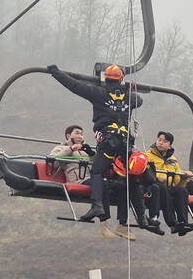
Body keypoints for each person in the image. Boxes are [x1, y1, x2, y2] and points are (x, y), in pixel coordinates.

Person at [47, 63, 146, 228]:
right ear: (121, 79)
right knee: (131, 177)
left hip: (108, 142)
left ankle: (97, 205)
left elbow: (74, 85)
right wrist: (129, 90)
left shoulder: (98, 93)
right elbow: (140, 100)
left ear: (106, 79)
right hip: (125, 143)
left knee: (97, 172)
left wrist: (55, 72)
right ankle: (142, 215)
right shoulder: (130, 97)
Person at [146, 131, 193, 235]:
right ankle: (172, 223)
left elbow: (179, 184)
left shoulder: (173, 160)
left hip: (167, 187)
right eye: (159, 140)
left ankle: (183, 222)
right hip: (153, 187)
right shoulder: (148, 156)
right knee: (163, 189)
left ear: (170, 145)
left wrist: (185, 178)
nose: (161, 143)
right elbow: (144, 172)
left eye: (164, 141)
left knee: (182, 191)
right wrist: (157, 177)